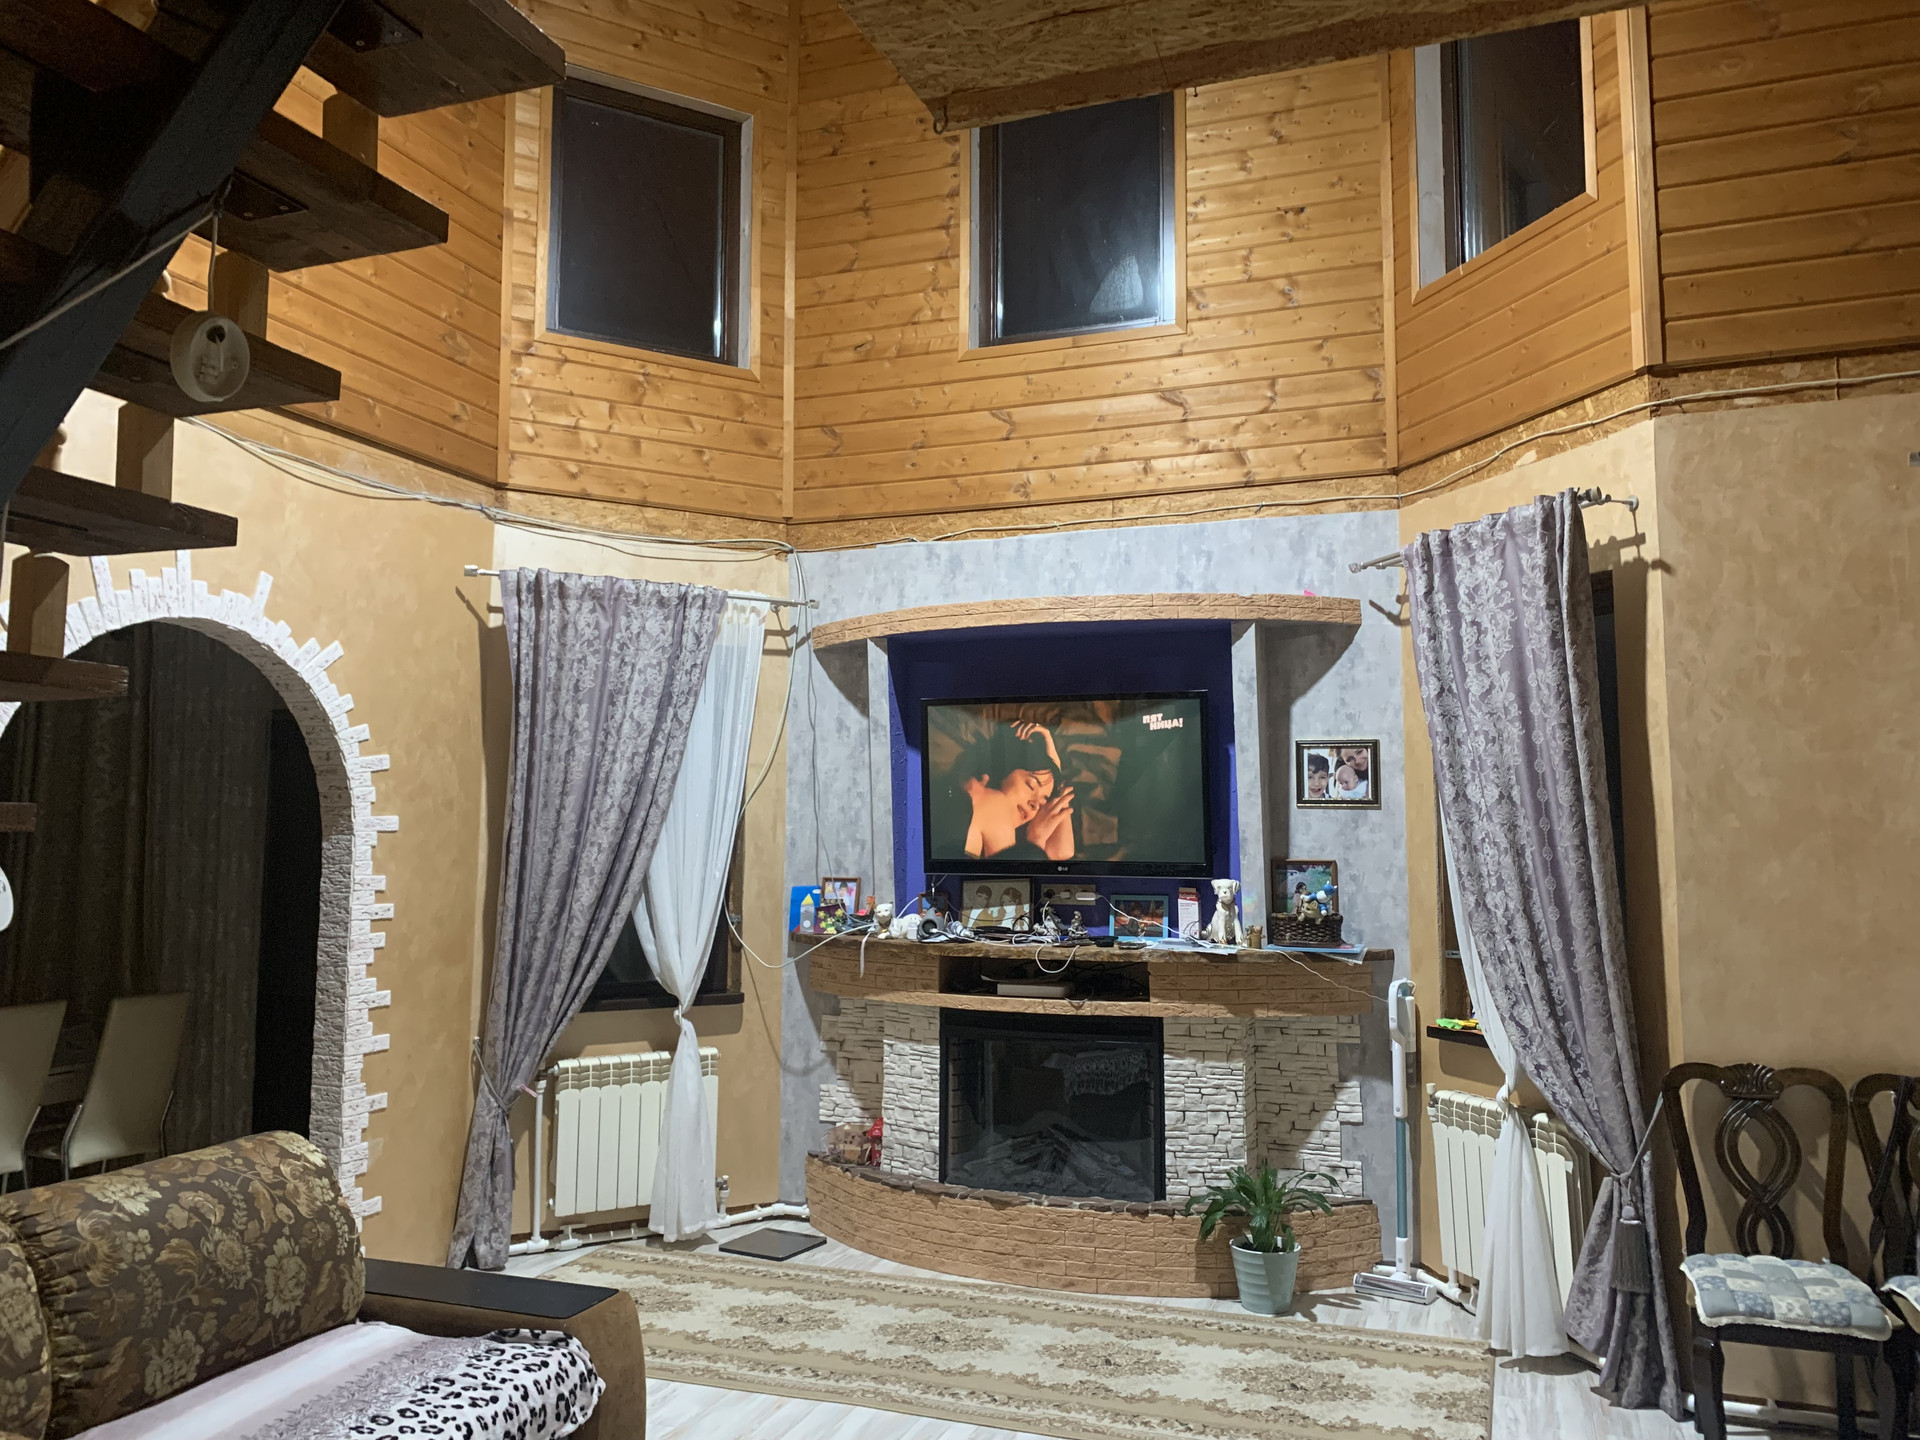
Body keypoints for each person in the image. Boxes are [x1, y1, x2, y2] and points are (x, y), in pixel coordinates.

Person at [930, 720, 1076, 861]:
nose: (1035, 804)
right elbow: (1011, 876)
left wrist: (1056, 768)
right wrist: (1034, 843)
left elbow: (1062, 851)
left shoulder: (972, 800)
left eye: (1044, 800)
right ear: (1002, 771)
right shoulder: (995, 803)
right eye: (1030, 785)